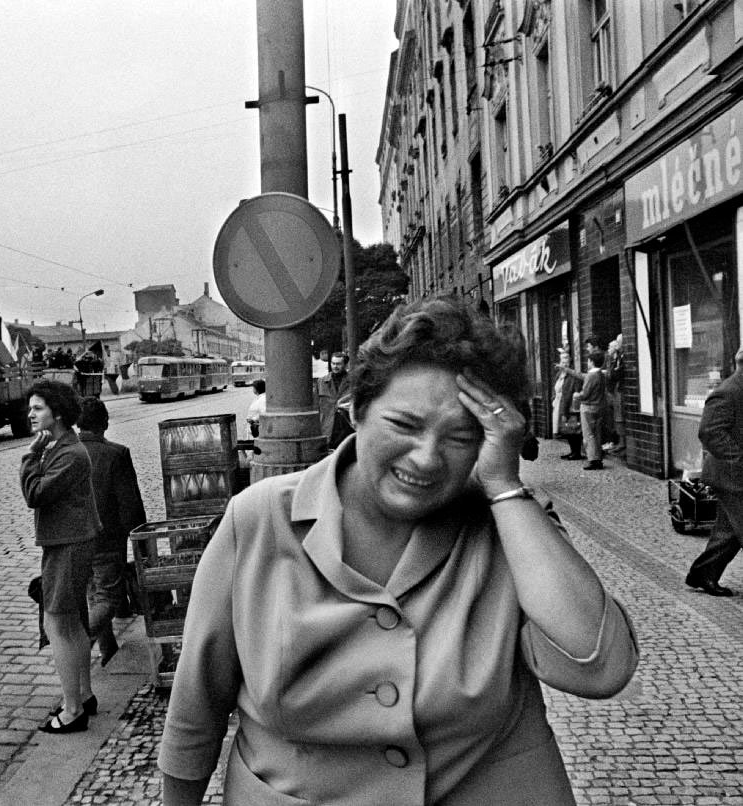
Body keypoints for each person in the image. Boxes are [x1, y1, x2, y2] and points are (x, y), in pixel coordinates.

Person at [159, 296, 638, 805]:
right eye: (405, 426)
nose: (427, 458)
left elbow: (600, 665)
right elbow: (196, 708)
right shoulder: (258, 521)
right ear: (356, 410)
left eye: (461, 436)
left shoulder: (509, 525)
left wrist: (504, 487)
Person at [19, 379, 102, 734]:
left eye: (38, 408)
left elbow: (34, 493)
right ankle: (83, 694)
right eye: (31, 408)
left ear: (58, 412)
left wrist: (29, 456)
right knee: (71, 623)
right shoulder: (63, 446)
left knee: (57, 624)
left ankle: (72, 710)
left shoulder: (69, 453)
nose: (31, 414)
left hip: (69, 543)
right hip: (67, 540)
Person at [77, 397, 147, 667]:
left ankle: (109, 650)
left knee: (92, 594)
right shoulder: (116, 454)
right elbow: (130, 505)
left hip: (73, 541)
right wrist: (139, 541)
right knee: (109, 597)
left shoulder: (62, 453)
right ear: (104, 422)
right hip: (106, 541)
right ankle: (77, 642)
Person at [685, 345, 743, 597]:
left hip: (735, 475)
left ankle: (703, 574)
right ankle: (704, 574)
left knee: (727, 533)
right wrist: (738, 458)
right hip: (730, 476)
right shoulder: (727, 392)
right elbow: (709, 433)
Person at [558, 349, 607, 470]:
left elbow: (585, 394)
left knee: (589, 434)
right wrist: (566, 369)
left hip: (588, 407)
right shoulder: (601, 374)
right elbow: (580, 375)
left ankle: (593, 460)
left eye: (588, 361)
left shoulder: (591, 376)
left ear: (591, 361)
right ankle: (598, 458)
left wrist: (577, 395)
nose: (587, 363)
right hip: (599, 406)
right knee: (597, 434)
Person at [316, 351, 352, 448]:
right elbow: (316, 407)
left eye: (338, 364)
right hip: (327, 428)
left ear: (345, 364)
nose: (335, 366)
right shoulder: (321, 382)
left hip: (346, 427)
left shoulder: (353, 382)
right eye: (333, 363)